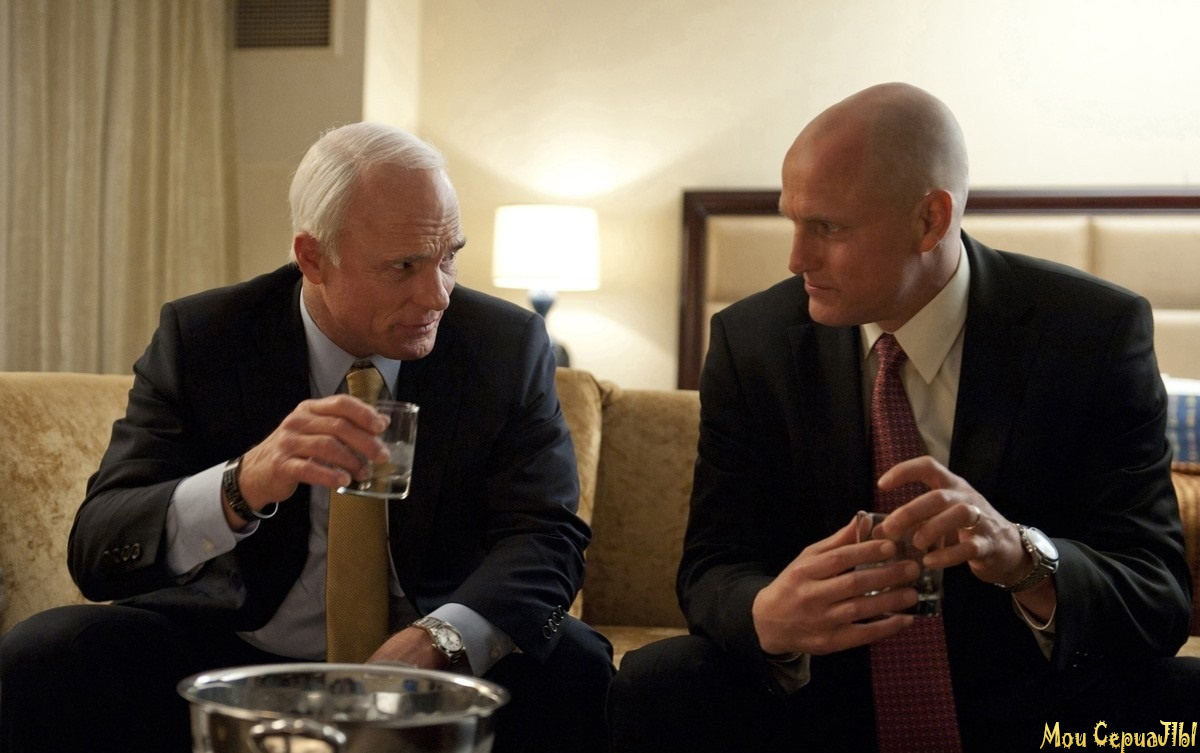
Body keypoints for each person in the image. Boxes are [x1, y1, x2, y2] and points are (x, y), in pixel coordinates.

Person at [608, 83, 1200, 751]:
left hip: (1038, 711)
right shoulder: (754, 343)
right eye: (791, 222)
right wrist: (767, 614)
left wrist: (1022, 557)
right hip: (822, 706)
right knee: (660, 682)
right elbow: (713, 566)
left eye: (828, 228)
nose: (797, 259)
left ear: (930, 220)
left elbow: (1156, 595)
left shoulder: (1089, 334)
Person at [0, 122, 613, 753]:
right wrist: (241, 484)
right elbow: (99, 547)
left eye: (448, 257)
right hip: (236, 649)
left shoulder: (503, 345)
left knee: (575, 663)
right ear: (313, 257)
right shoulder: (208, 336)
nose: (437, 295)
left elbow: (547, 536)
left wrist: (438, 642)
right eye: (403, 266)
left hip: (432, 652)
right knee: (48, 653)